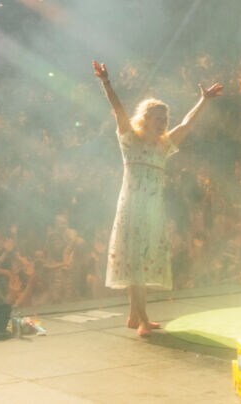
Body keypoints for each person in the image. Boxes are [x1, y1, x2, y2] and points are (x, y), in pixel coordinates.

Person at [92, 60, 222, 337]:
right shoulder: (131, 140)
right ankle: (142, 319)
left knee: (139, 261)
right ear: (146, 119)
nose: (163, 123)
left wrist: (203, 101)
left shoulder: (164, 146)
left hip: (152, 209)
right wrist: (106, 83)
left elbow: (187, 123)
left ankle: (132, 315)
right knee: (135, 263)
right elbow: (118, 111)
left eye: (165, 119)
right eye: (158, 119)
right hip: (132, 207)